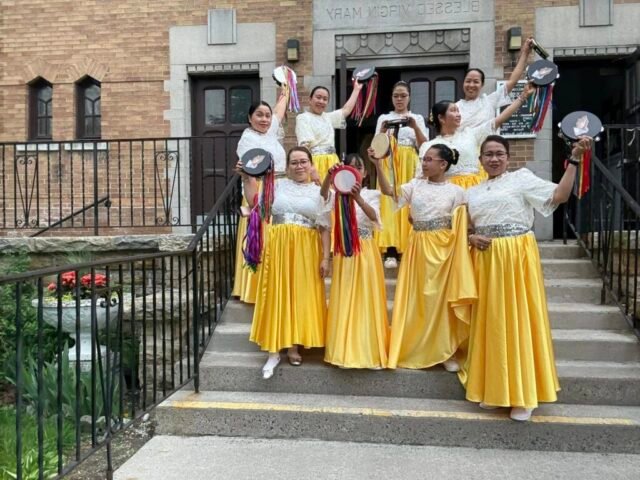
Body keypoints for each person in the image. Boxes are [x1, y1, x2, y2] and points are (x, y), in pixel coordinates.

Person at [461, 134, 592, 422]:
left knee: (518, 320)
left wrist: (573, 161)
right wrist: (471, 237)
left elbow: (559, 196)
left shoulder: (521, 179)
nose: (494, 159)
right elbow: (465, 226)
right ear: (480, 159)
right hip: (487, 261)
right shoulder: (472, 192)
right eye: (488, 154)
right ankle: (494, 389)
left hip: (516, 256)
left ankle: (523, 394)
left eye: (499, 153)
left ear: (508, 157)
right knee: (492, 324)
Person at [238, 146, 332, 379]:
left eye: (303, 161)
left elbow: (324, 228)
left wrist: (325, 257)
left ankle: (293, 346)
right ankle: (274, 350)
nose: (299, 166)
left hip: (306, 249)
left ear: (311, 164)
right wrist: (247, 177)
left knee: (299, 295)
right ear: (287, 167)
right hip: (278, 247)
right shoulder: (277, 185)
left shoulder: (320, 191)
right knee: (277, 294)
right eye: (294, 162)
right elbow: (256, 205)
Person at [387, 144, 476, 371]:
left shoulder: (457, 192)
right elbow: (390, 192)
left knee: (441, 300)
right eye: (423, 159)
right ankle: (415, 347)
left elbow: (465, 224)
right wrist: (378, 163)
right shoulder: (415, 185)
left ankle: (445, 351)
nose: (424, 163)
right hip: (418, 246)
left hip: (445, 249)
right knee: (418, 299)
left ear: (443, 164)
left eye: (428, 159)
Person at [322, 154, 389, 369]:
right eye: (349, 168)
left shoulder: (372, 194)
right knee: (345, 297)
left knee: (366, 297)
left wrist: (358, 197)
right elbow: (322, 196)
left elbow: (374, 217)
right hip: (344, 250)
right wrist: (328, 176)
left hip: (365, 249)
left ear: (365, 172)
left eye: (358, 168)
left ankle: (368, 351)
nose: (354, 171)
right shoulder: (336, 195)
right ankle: (344, 350)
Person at [417, 83, 534, 189]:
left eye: (458, 111)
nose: (458, 114)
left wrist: (523, 96)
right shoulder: (429, 146)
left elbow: (498, 120)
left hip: (475, 189)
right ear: (441, 118)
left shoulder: (470, 134)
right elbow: (422, 177)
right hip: (447, 192)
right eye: (453, 111)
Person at [231, 94, 288, 304]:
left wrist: (286, 88)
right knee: (262, 235)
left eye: (267, 115)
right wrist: (256, 202)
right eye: (259, 115)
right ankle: (257, 289)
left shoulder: (270, 132)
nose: (264, 119)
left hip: (280, 188)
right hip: (260, 189)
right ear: (249, 118)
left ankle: (276, 283)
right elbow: (250, 172)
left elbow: (279, 111)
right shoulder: (248, 139)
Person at [374, 81, 429, 269]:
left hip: (409, 161)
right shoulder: (384, 118)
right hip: (389, 162)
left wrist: (415, 127)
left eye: (403, 95)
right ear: (391, 97)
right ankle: (390, 249)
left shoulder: (417, 118)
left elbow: (424, 145)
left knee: (408, 201)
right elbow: (376, 146)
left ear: (409, 97)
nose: (399, 99)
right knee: (389, 202)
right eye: (396, 96)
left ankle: (407, 246)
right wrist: (382, 131)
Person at [457, 38, 534, 129]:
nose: (471, 85)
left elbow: (512, 81)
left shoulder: (488, 101)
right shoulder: (455, 108)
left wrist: (525, 53)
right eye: (468, 81)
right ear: (463, 83)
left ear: (482, 84)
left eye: (476, 82)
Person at [295, 82, 364, 181]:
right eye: (318, 97)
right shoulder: (303, 118)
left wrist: (356, 89)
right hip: (315, 162)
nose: (321, 101)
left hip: (332, 161)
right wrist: (312, 169)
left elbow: (346, 110)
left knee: (333, 190)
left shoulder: (328, 117)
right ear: (310, 99)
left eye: (325, 99)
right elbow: (304, 147)